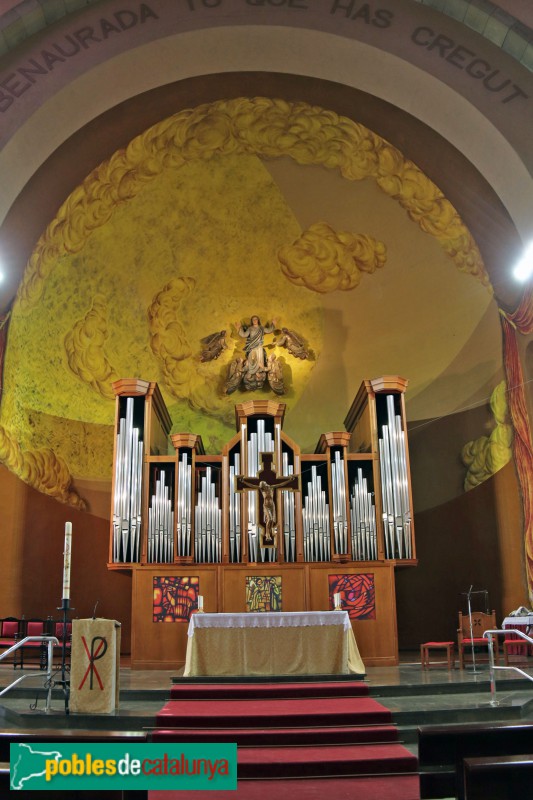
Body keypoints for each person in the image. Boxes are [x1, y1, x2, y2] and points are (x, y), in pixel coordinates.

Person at [237, 316, 276, 389]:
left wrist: (273, 324)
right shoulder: (250, 328)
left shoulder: (261, 328)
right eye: (253, 319)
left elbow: (268, 330)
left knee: (259, 359)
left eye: (256, 319)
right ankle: (251, 371)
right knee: (252, 358)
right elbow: (244, 335)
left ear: (258, 320)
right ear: (252, 321)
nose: (255, 320)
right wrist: (239, 328)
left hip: (259, 346)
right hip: (251, 346)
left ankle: (258, 371)